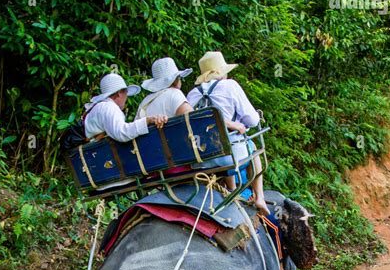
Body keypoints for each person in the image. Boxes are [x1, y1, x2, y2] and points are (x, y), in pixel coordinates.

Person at [186, 51, 269, 214]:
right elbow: (253, 120)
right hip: (229, 157)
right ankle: (259, 197)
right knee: (252, 147)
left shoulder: (192, 94)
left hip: (200, 161)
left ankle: (229, 189)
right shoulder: (230, 86)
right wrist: (238, 124)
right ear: (221, 72)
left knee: (222, 145)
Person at [83, 73, 167, 143]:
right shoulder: (108, 107)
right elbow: (121, 133)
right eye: (126, 93)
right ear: (119, 94)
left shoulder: (101, 107)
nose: (126, 97)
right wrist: (147, 121)